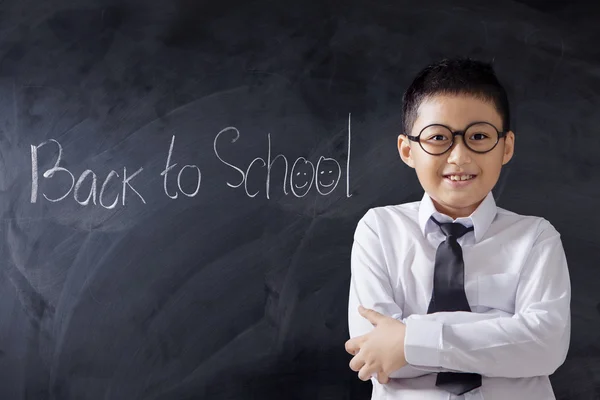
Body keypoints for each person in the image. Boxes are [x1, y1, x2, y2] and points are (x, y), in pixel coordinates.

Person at [344, 57, 571, 399]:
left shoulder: (536, 237)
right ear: (408, 150)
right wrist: (502, 333)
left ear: (506, 146)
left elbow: (545, 347)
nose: (459, 157)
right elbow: (374, 352)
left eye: (479, 136)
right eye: (439, 138)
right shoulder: (379, 229)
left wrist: (408, 339)